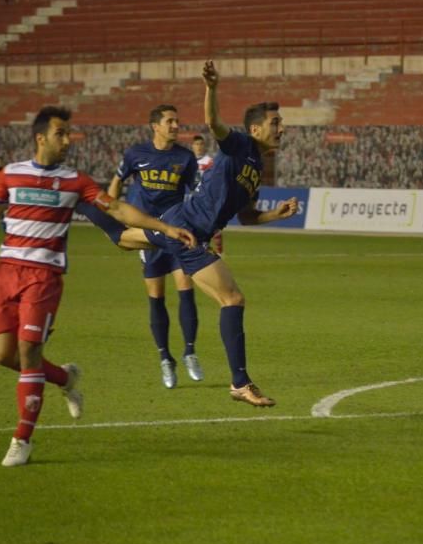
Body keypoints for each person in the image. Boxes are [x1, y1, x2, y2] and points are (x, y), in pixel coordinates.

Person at [0, 106, 195, 467]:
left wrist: (165, 228)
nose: (67, 140)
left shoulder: (77, 181)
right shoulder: (11, 175)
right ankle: (64, 377)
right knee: (3, 356)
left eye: (69, 134)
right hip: (6, 272)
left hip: (44, 277)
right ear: (40, 137)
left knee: (29, 354)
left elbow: (119, 209)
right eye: (61, 134)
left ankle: (22, 441)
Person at [107, 60, 298, 407]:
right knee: (233, 299)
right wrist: (211, 87)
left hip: (183, 227)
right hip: (189, 230)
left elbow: (246, 216)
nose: (282, 128)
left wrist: (276, 214)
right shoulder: (239, 145)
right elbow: (213, 123)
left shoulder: (256, 167)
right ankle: (240, 383)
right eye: (275, 123)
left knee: (123, 238)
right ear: (255, 130)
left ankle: (87, 206)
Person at [108, 105, 204, 389]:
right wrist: (110, 215)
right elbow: (115, 186)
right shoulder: (135, 155)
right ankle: (165, 358)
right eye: (170, 121)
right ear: (155, 126)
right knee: (156, 297)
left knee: (186, 289)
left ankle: (190, 352)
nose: (176, 125)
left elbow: (195, 195)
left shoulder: (186, 158)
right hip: (148, 236)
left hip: (177, 232)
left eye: (177, 120)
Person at [191, 134, 224, 256]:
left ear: (204, 146)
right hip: (192, 197)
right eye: (196, 144)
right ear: (192, 146)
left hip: (207, 198)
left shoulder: (209, 161)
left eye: (201, 144)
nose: (199, 147)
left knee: (213, 225)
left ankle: (220, 252)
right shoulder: (189, 161)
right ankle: (197, 249)